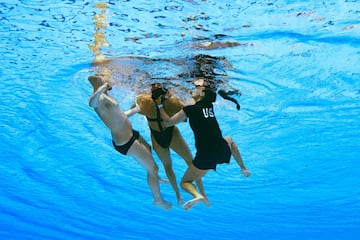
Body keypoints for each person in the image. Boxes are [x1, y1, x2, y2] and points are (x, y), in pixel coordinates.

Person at [154, 78, 251, 210]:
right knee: (229, 139)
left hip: (205, 157)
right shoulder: (209, 106)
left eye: (195, 90)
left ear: (201, 94)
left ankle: (197, 195)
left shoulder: (190, 110)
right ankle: (243, 168)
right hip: (221, 150)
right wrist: (200, 85)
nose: (193, 91)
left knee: (184, 182)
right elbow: (203, 93)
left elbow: (168, 122)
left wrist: (159, 105)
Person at [87, 75, 172, 210]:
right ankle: (158, 199)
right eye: (102, 78)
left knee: (148, 148)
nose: (106, 79)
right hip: (126, 142)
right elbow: (91, 103)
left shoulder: (105, 95)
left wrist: (136, 109)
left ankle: (154, 176)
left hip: (131, 134)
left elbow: (119, 116)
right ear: (98, 81)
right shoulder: (99, 98)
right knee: (153, 169)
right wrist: (102, 88)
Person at [127, 83, 207, 205]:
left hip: (165, 134)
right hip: (163, 136)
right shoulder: (166, 102)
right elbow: (185, 118)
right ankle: (182, 195)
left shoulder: (148, 102)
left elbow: (134, 107)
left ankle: (194, 193)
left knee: (180, 164)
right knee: (183, 163)